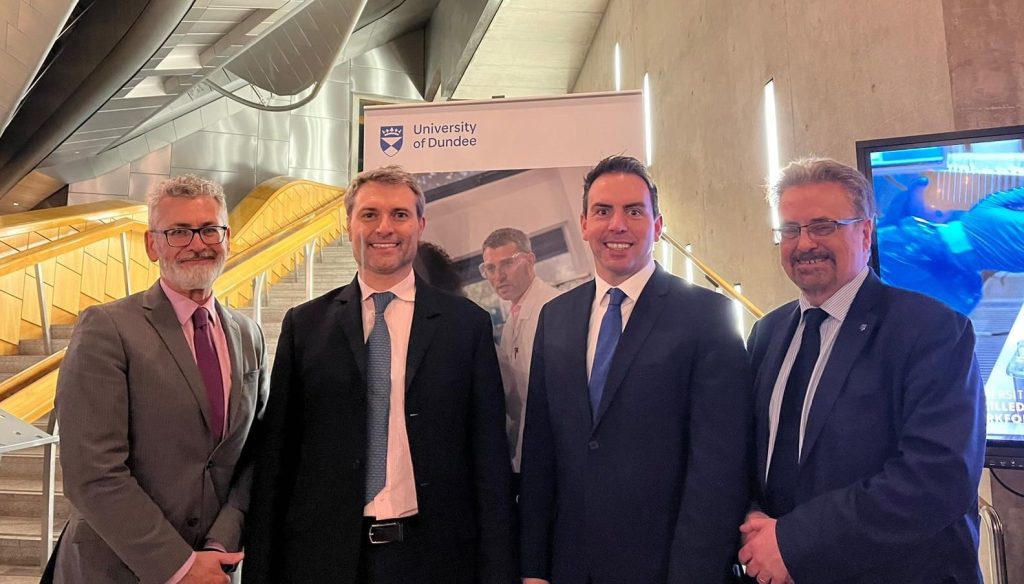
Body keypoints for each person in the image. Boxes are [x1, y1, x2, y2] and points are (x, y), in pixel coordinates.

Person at [243, 165, 515, 584]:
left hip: (437, 560)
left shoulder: (466, 326)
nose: (384, 227)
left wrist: (498, 570)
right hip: (324, 560)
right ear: (348, 223)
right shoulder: (305, 326)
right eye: (369, 214)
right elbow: (277, 457)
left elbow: (489, 459)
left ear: (420, 224)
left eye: (400, 215)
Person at [741, 157, 985, 584]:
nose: (804, 244)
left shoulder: (933, 331)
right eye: (791, 230)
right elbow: (750, 454)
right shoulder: (768, 333)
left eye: (823, 226)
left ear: (866, 231)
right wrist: (752, 523)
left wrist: (793, 542)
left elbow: (937, 478)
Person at [519, 155, 753, 584]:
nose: (617, 225)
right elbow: (540, 450)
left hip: (665, 566)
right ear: (585, 223)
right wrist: (534, 567)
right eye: (603, 211)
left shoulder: (707, 316)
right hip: (570, 565)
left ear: (658, 226)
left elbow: (719, 467)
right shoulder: (556, 317)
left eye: (634, 211)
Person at [48, 175, 269, 583]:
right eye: (178, 232)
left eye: (209, 229)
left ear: (227, 236)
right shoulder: (108, 328)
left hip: (214, 569)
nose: (197, 244)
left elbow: (253, 456)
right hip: (117, 569)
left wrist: (219, 546)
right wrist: (180, 567)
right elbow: (91, 473)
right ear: (153, 245)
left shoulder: (248, 335)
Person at [479, 227, 559, 477]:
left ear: (530, 261)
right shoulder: (513, 316)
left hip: (551, 453)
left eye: (507, 264)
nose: (498, 276)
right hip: (527, 450)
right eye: (490, 268)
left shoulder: (553, 310)